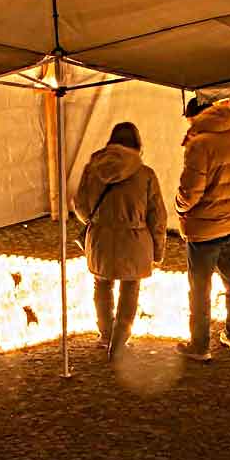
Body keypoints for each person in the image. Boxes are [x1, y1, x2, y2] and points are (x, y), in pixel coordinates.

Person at [73, 121, 167, 361]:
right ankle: (119, 342)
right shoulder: (146, 174)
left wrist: (97, 221)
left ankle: (105, 334)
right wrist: (158, 251)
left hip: (101, 239)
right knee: (130, 288)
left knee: (102, 285)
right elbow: (157, 217)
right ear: (137, 145)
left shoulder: (92, 168)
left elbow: (80, 205)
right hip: (135, 240)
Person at [175, 98, 230, 362]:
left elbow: (190, 191)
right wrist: (229, 198)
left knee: (200, 288)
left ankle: (200, 346)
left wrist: (179, 207)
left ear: (196, 116)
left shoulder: (200, 145)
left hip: (204, 228)